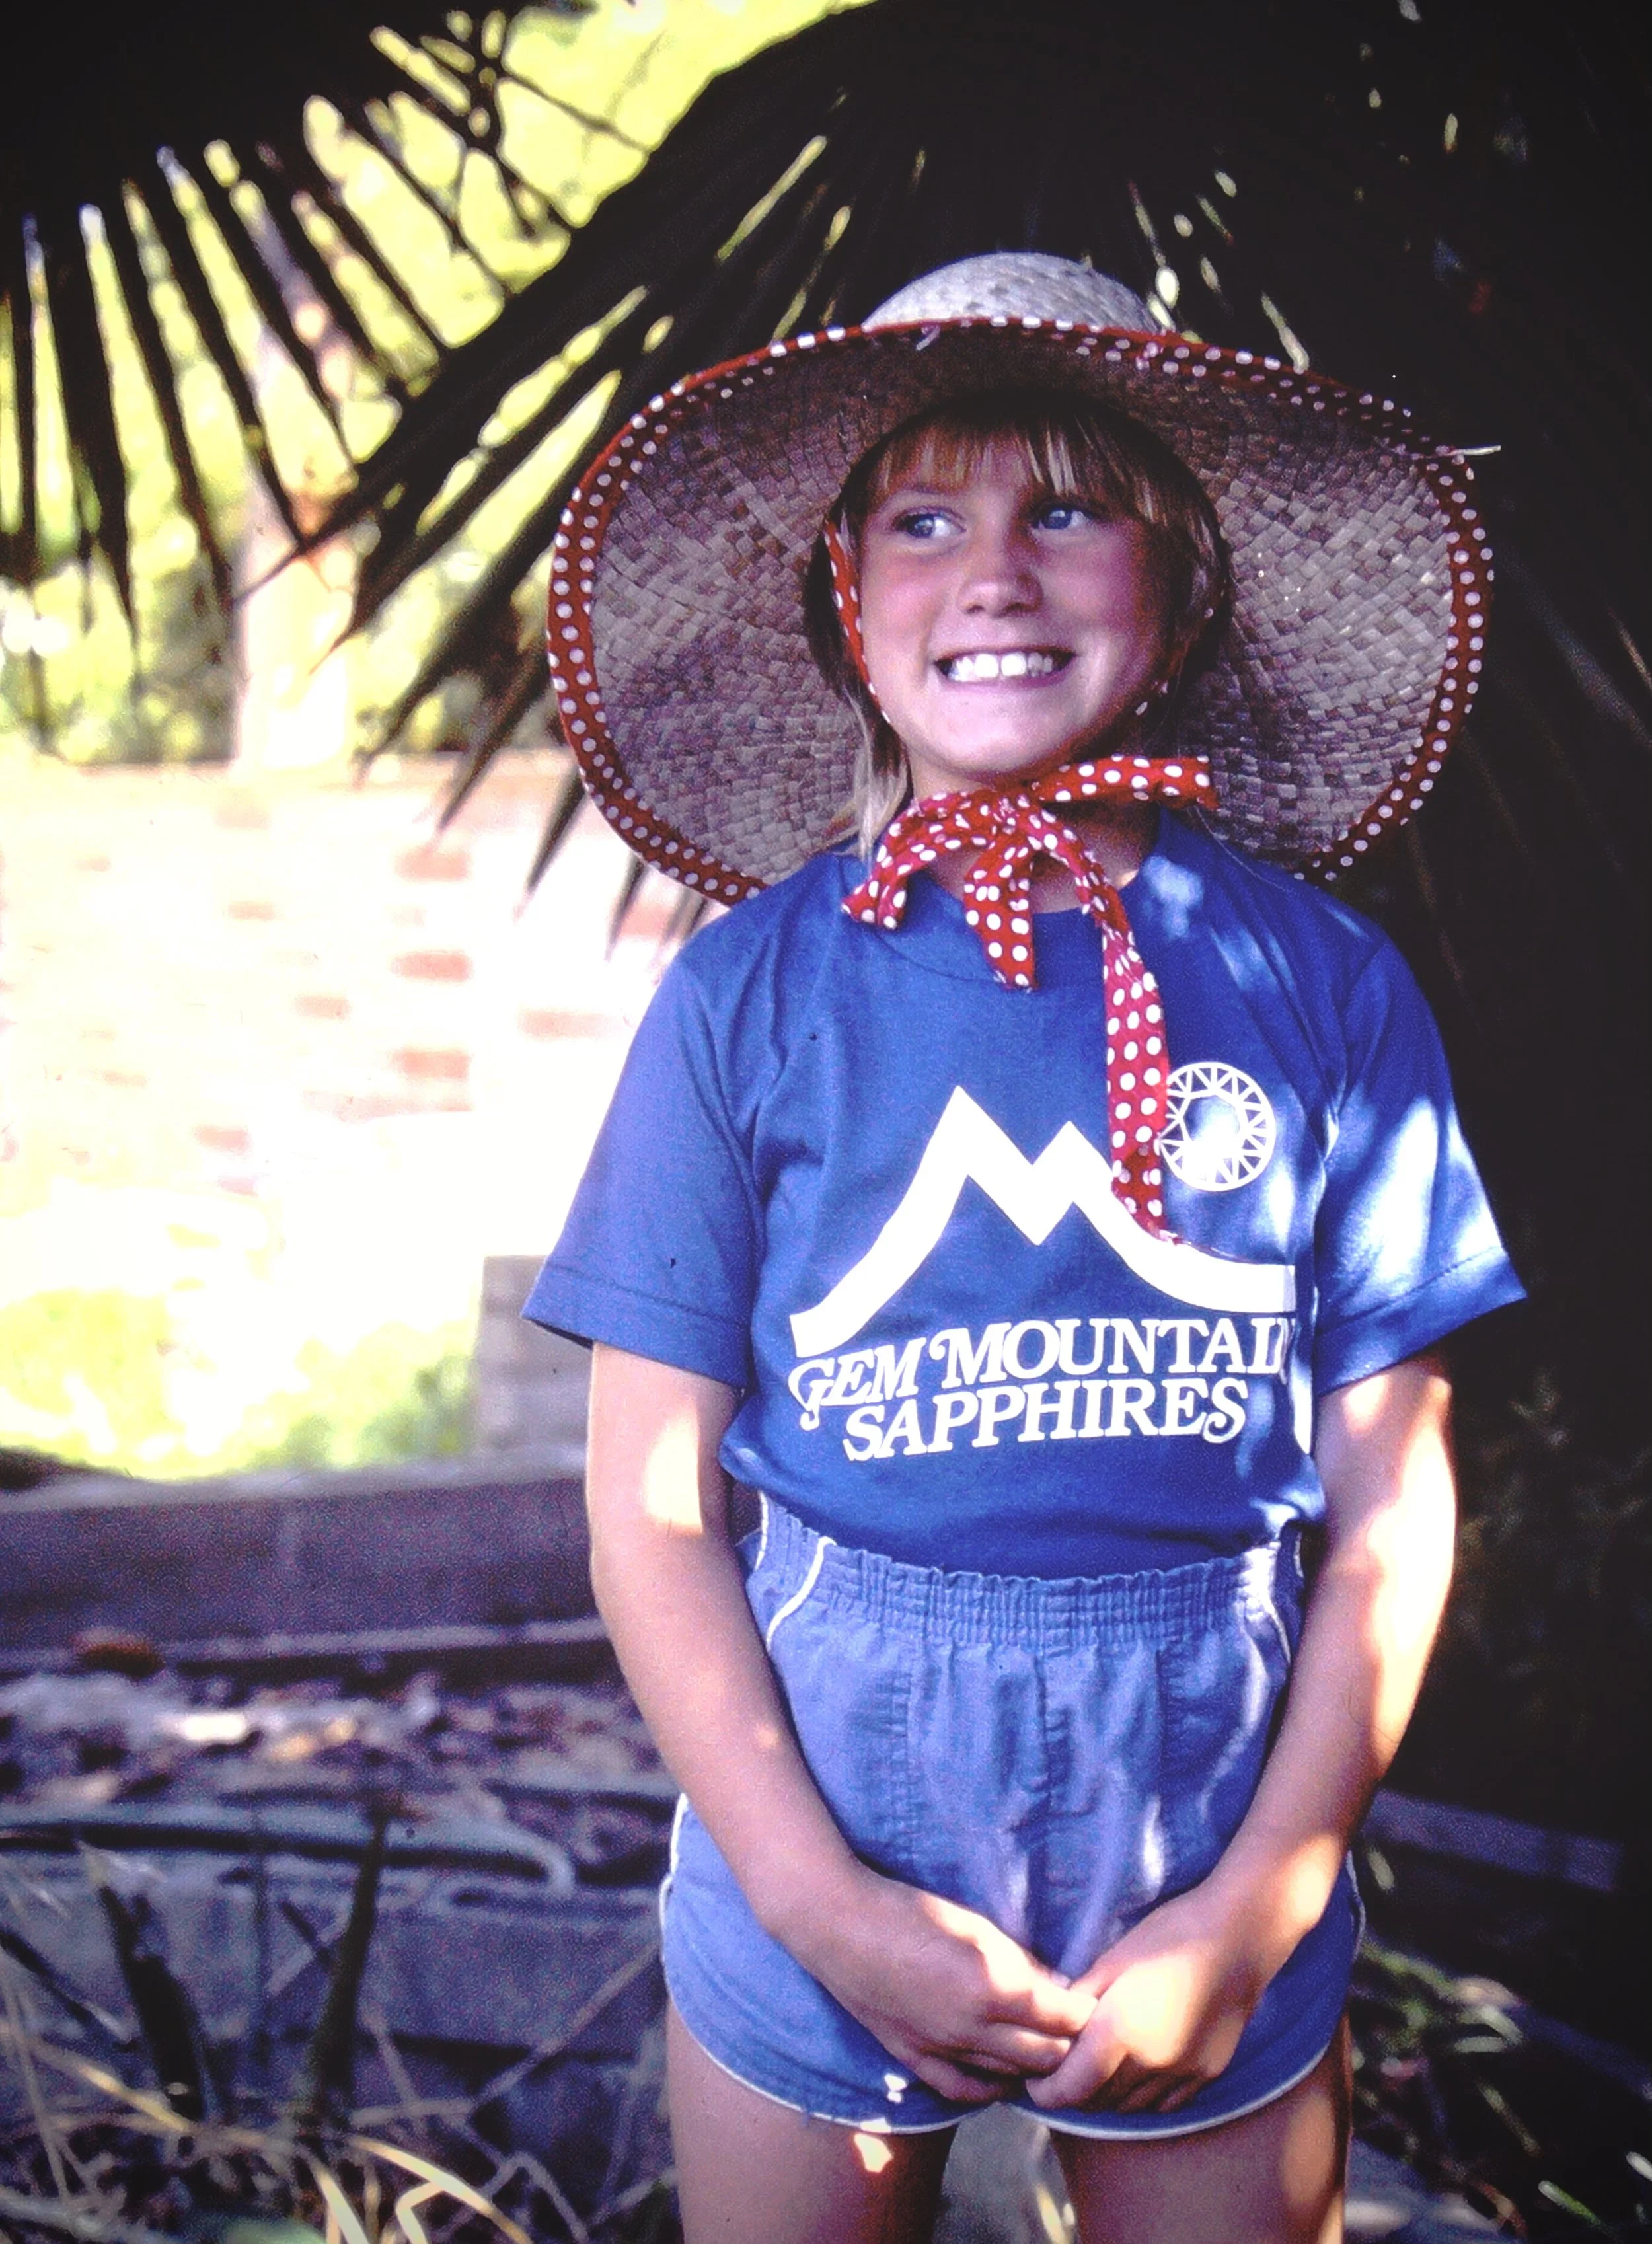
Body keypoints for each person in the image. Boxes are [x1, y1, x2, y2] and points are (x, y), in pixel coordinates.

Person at [525, 254, 1522, 2243]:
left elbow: (1391, 1509)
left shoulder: (1311, 978)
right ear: (847, 598)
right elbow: (647, 1514)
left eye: (1067, 509)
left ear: (1180, 589)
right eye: (924, 519)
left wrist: (1262, 1902)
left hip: (1212, 1792)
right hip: (825, 1789)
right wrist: (820, 1902)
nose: (995, 573)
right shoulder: (748, 991)